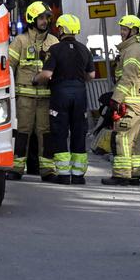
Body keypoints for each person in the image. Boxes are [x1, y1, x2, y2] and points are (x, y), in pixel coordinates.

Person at [35, 14, 95, 185]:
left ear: (61, 29)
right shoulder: (84, 49)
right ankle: (77, 175)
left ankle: (63, 174)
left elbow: (47, 74)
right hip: (79, 95)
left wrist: (35, 79)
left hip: (60, 95)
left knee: (60, 132)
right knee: (78, 132)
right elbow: (91, 74)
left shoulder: (54, 49)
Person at [8, 1, 59, 181]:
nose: (45, 21)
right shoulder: (20, 41)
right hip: (25, 98)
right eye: (41, 18)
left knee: (45, 133)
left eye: (46, 18)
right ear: (31, 19)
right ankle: (16, 168)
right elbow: (8, 69)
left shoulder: (54, 42)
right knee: (23, 131)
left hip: (46, 99)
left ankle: (47, 170)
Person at [102, 15, 140, 187]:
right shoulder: (133, 49)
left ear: (134, 31)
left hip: (130, 102)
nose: (122, 33)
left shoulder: (133, 50)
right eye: (121, 29)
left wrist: (116, 99)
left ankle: (122, 175)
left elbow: (128, 77)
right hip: (138, 101)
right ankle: (135, 173)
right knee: (134, 140)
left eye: (125, 29)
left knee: (122, 136)